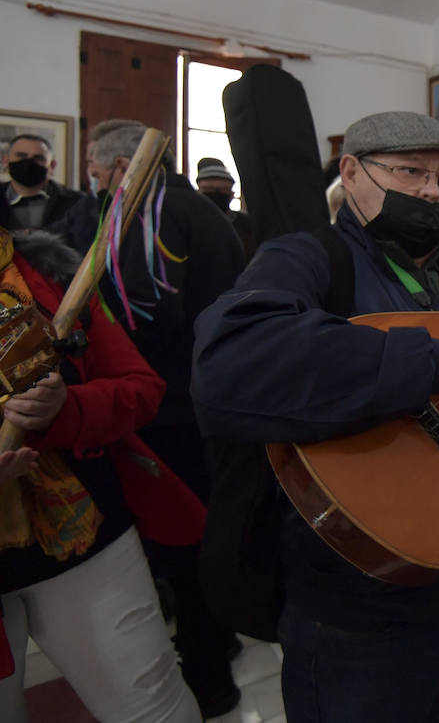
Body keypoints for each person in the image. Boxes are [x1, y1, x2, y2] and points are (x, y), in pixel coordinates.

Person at [191, 111, 439, 722]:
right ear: (350, 173)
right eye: (411, 172)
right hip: (360, 599)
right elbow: (231, 361)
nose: (433, 191)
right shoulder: (307, 257)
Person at [0, 225, 204, 723]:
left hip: (87, 541)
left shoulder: (53, 275)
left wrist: (65, 409)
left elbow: (140, 389)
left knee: (153, 708)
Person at [82, 122, 248, 717]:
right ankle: (218, 641)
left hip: (176, 407)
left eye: (100, 175)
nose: (97, 186)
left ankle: (208, 678)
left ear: (125, 166)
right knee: (201, 530)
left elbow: (149, 314)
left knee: (184, 538)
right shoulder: (190, 207)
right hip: (205, 397)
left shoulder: (157, 217)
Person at [1, 134, 83, 231]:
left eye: (38, 158)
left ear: (52, 166)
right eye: (22, 156)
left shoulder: (78, 202)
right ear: (5, 161)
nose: (29, 162)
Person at [196, 156, 258, 259]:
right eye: (208, 189)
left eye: (224, 189)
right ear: (198, 192)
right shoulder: (188, 224)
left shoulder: (247, 225)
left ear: (232, 194)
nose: (216, 194)